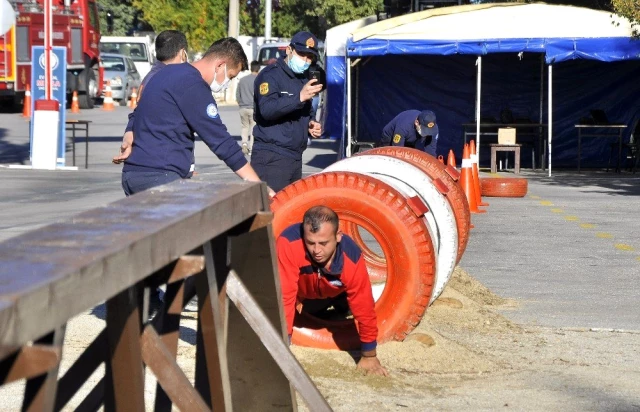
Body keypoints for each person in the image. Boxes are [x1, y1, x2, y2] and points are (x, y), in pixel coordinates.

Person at [120, 37, 273, 197]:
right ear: (220, 65)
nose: (228, 83)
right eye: (231, 76)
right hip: (159, 176)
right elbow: (221, 141)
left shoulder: (165, 73)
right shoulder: (193, 85)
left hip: (134, 173)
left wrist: (129, 134)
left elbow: (138, 112)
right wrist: (258, 185)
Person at [277, 206, 389, 377]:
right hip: (305, 295)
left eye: (323, 243)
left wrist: (369, 354)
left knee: (353, 306)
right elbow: (284, 295)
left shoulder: (350, 257)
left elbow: (364, 305)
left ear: (338, 236)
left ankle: (340, 307)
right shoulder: (288, 243)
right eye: (310, 242)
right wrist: (283, 346)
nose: (316, 250)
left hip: (338, 293)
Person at [251, 31, 324, 193]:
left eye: (309, 57)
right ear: (289, 50)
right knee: (272, 211)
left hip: (295, 156)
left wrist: (311, 124)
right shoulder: (270, 75)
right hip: (272, 156)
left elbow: (305, 110)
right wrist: (299, 97)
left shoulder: (303, 78)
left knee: (290, 213)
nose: (305, 60)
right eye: (302, 54)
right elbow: (267, 110)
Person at [113, 30, 189, 164]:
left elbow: (138, 112)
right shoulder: (169, 79)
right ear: (182, 52)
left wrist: (129, 134)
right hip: (162, 159)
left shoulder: (152, 76)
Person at [236, 60, 259, 155]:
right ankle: (251, 147)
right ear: (258, 69)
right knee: (253, 128)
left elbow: (237, 94)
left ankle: (244, 143)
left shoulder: (242, 80)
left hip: (243, 107)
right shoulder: (258, 80)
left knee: (244, 127)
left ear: (251, 68)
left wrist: (240, 103)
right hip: (253, 108)